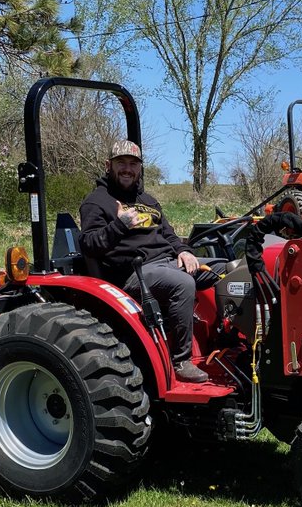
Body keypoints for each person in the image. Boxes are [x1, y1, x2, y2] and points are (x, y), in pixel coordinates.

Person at [79, 139, 224, 384]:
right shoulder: (97, 201)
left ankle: (227, 342)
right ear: (108, 165)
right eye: (121, 163)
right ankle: (181, 360)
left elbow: (169, 234)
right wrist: (120, 225)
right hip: (133, 273)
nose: (127, 169)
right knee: (182, 283)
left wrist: (184, 251)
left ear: (140, 168)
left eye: (133, 164)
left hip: (167, 261)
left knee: (226, 270)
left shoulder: (147, 200)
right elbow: (89, 243)